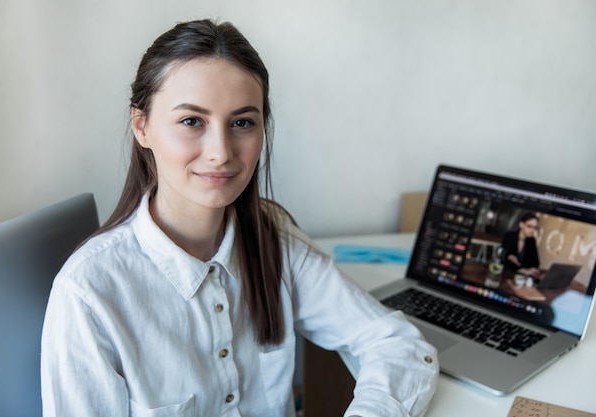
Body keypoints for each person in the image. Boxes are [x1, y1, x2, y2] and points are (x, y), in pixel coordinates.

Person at [41, 19, 438, 417]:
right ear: (141, 126)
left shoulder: (272, 237)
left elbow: (395, 343)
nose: (220, 152)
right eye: (191, 121)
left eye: (242, 123)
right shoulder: (88, 292)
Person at [501, 212, 541, 278]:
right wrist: (521, 269)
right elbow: (503, 259)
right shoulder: (509, 236)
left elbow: (536, 263)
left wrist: (527, 270)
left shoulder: (531, 240)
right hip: (506, 274)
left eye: (535, 228)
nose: (532, 230)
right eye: (529, 226)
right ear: (521, 224)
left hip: (522, 277)